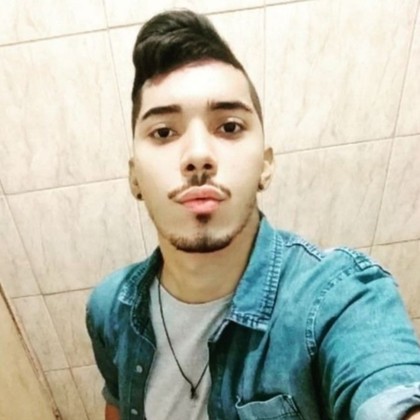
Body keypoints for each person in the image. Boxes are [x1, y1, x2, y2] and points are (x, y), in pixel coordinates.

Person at [86, 9, 420, 420]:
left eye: (228, 127)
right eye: (164, 132)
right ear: (135, 177)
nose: (198, 156)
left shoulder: (338, 299)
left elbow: (388, 389)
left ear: (265, 165)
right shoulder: (110, 307)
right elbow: (118, 404)